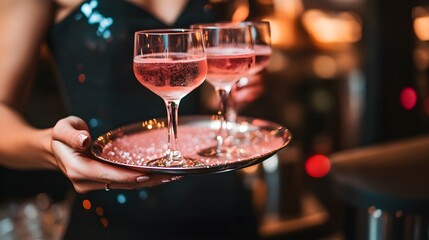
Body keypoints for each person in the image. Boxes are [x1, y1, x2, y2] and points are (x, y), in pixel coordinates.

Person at [0, 0, 264, 239]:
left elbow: (192, 82)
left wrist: (218, 93)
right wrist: (50, 147)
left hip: (222, 209)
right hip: (114, 220)